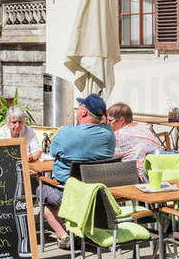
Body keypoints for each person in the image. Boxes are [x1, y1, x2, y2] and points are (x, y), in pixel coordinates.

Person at [39, 94, 115, 242]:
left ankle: (64, 236)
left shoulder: (66, 133)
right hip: (99, 191)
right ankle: (80, 230)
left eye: (80, 105)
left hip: (70, 192)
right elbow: (103, 122)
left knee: (42, 191)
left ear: (83, 112)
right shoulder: (108, 133)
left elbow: (52, 152)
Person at [107, 102, 162, 181]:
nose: (107, 123)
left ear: (122, 120)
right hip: (156, 173)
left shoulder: (120, 135)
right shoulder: (144, 128)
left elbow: (108, 156)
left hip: (136, 177)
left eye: (110, 120)